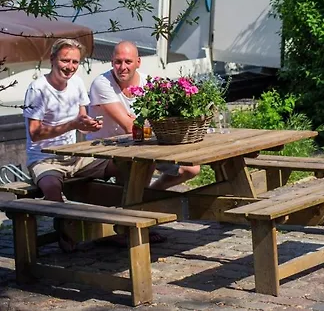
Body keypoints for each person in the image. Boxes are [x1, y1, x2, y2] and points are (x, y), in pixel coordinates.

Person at [23, 38, 121, 251]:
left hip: (75, 156)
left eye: (75, 62)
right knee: (52, 190)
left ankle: (121, 224)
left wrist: (90, 125)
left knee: (123, 166)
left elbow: (82, 122)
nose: (70, 67)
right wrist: (72, 125)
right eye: (65, 60)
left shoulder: (77, 83)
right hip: (44, 159)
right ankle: (67, 233)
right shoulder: (38, 89)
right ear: (52, 59)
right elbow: (35, 133)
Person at [87, 40, 200, 190]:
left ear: (138, 62)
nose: (123, 67)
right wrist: (144, 123)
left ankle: (150, 194)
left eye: (128, 62)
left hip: (141, 144)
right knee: (145, 162)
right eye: (118, 62)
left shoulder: (149, 84)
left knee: (191, 168)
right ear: (111, 62)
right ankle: (139, 198)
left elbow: (164, 121)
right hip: (105, 150)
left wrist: (142, 123)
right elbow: (130, 127)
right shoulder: (102, 83)